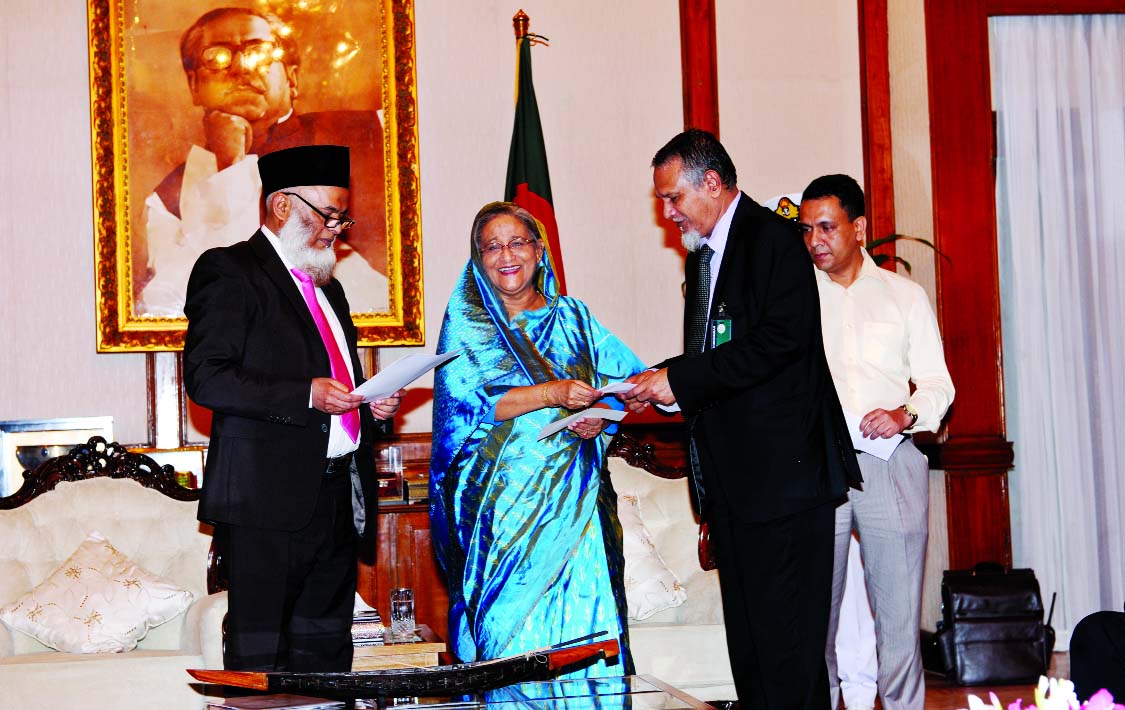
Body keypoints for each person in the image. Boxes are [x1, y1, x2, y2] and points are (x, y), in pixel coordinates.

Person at [623, 129, 862, 709]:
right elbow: (715, 357)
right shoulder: (705, 256)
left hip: (785, 486)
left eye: (673, 197)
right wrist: (658, 380)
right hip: (733, 488)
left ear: (711, 182)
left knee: (788, 657)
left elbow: (780, 341)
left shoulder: (774, 240)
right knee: (752, 657)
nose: (668, 212)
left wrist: (679, 381)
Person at [183, 144, 403, 671]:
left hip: (338, 499)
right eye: (328, 214)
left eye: (342, 218)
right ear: (283, 205)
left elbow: (340, 384)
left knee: (327, 658)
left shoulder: (332, 290)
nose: (336, 230)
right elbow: (207, 377)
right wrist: (306, 394)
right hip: (266, 505)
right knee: (263, 663)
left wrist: (370, 405)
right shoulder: (229, 270)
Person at [429, 202, 646, 676]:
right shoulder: (470, 325)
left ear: (539, 250)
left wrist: (600, 418)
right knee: (510, 640)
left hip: (578, 506)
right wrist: (553, 393)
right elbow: (465, 406)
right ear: (478, 258)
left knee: (587, 629)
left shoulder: (575, 318)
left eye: (517, 242)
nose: (506, 255)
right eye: (492, 247)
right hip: (502, 513)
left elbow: (632, 385)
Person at [798, 174, 954, 710]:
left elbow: (938, 384)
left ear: (859, 227)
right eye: (806, 230)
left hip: (890, 465)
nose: (815, 240)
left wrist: (903, 413)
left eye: (826, 227)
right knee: (813, 618)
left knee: (898, 620)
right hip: (816, 468)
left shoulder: (903, 295)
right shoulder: (794, 300)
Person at [139, 7, 387, 316]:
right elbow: (175, 300)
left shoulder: (374, 133)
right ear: (194, 85)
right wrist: (230, 166)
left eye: (259, 53)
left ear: (292, 79)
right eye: (217, 58)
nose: (240, 69)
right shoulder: (169, 199)